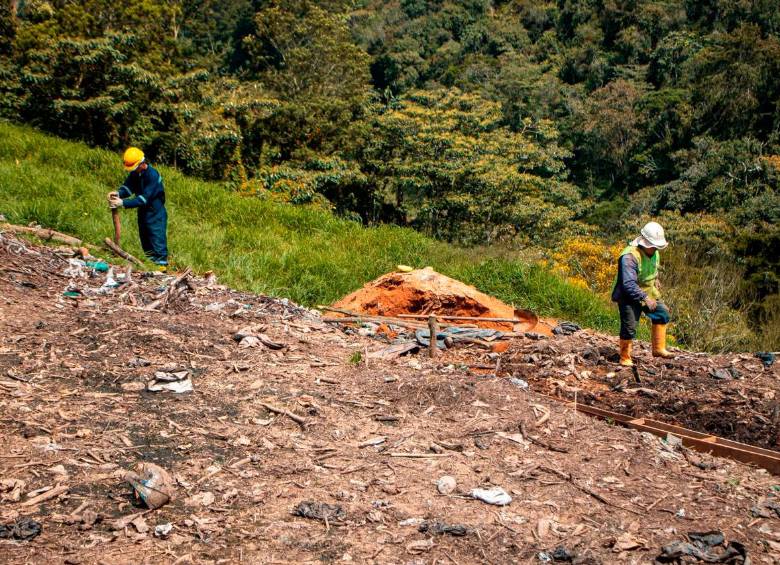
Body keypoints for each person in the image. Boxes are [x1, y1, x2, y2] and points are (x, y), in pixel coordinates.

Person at [611, 221, 674, 366]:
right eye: (654, 246)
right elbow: (628, 284)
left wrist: (656, 279)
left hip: (648, 291)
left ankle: (658, 348)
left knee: (662, 313)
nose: (656, 249)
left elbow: (652, 268)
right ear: (645, 243)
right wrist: (644, 298)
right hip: (628, 295)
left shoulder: (655, 253)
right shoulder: (629, 257)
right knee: (629, 326)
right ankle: (625, 357)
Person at [108, 147, 168, 269]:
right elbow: (128, 188)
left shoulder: (152, 175)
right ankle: (150, 264)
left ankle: (161, 266)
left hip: (155, 211)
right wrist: (118, 194)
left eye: (134, 167)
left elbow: (144, 199)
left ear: (141, 163)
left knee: (156, 236)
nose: (133, 170)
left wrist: (122, 203)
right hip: (143, 211)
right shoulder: (136, 174)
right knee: (144, 237)